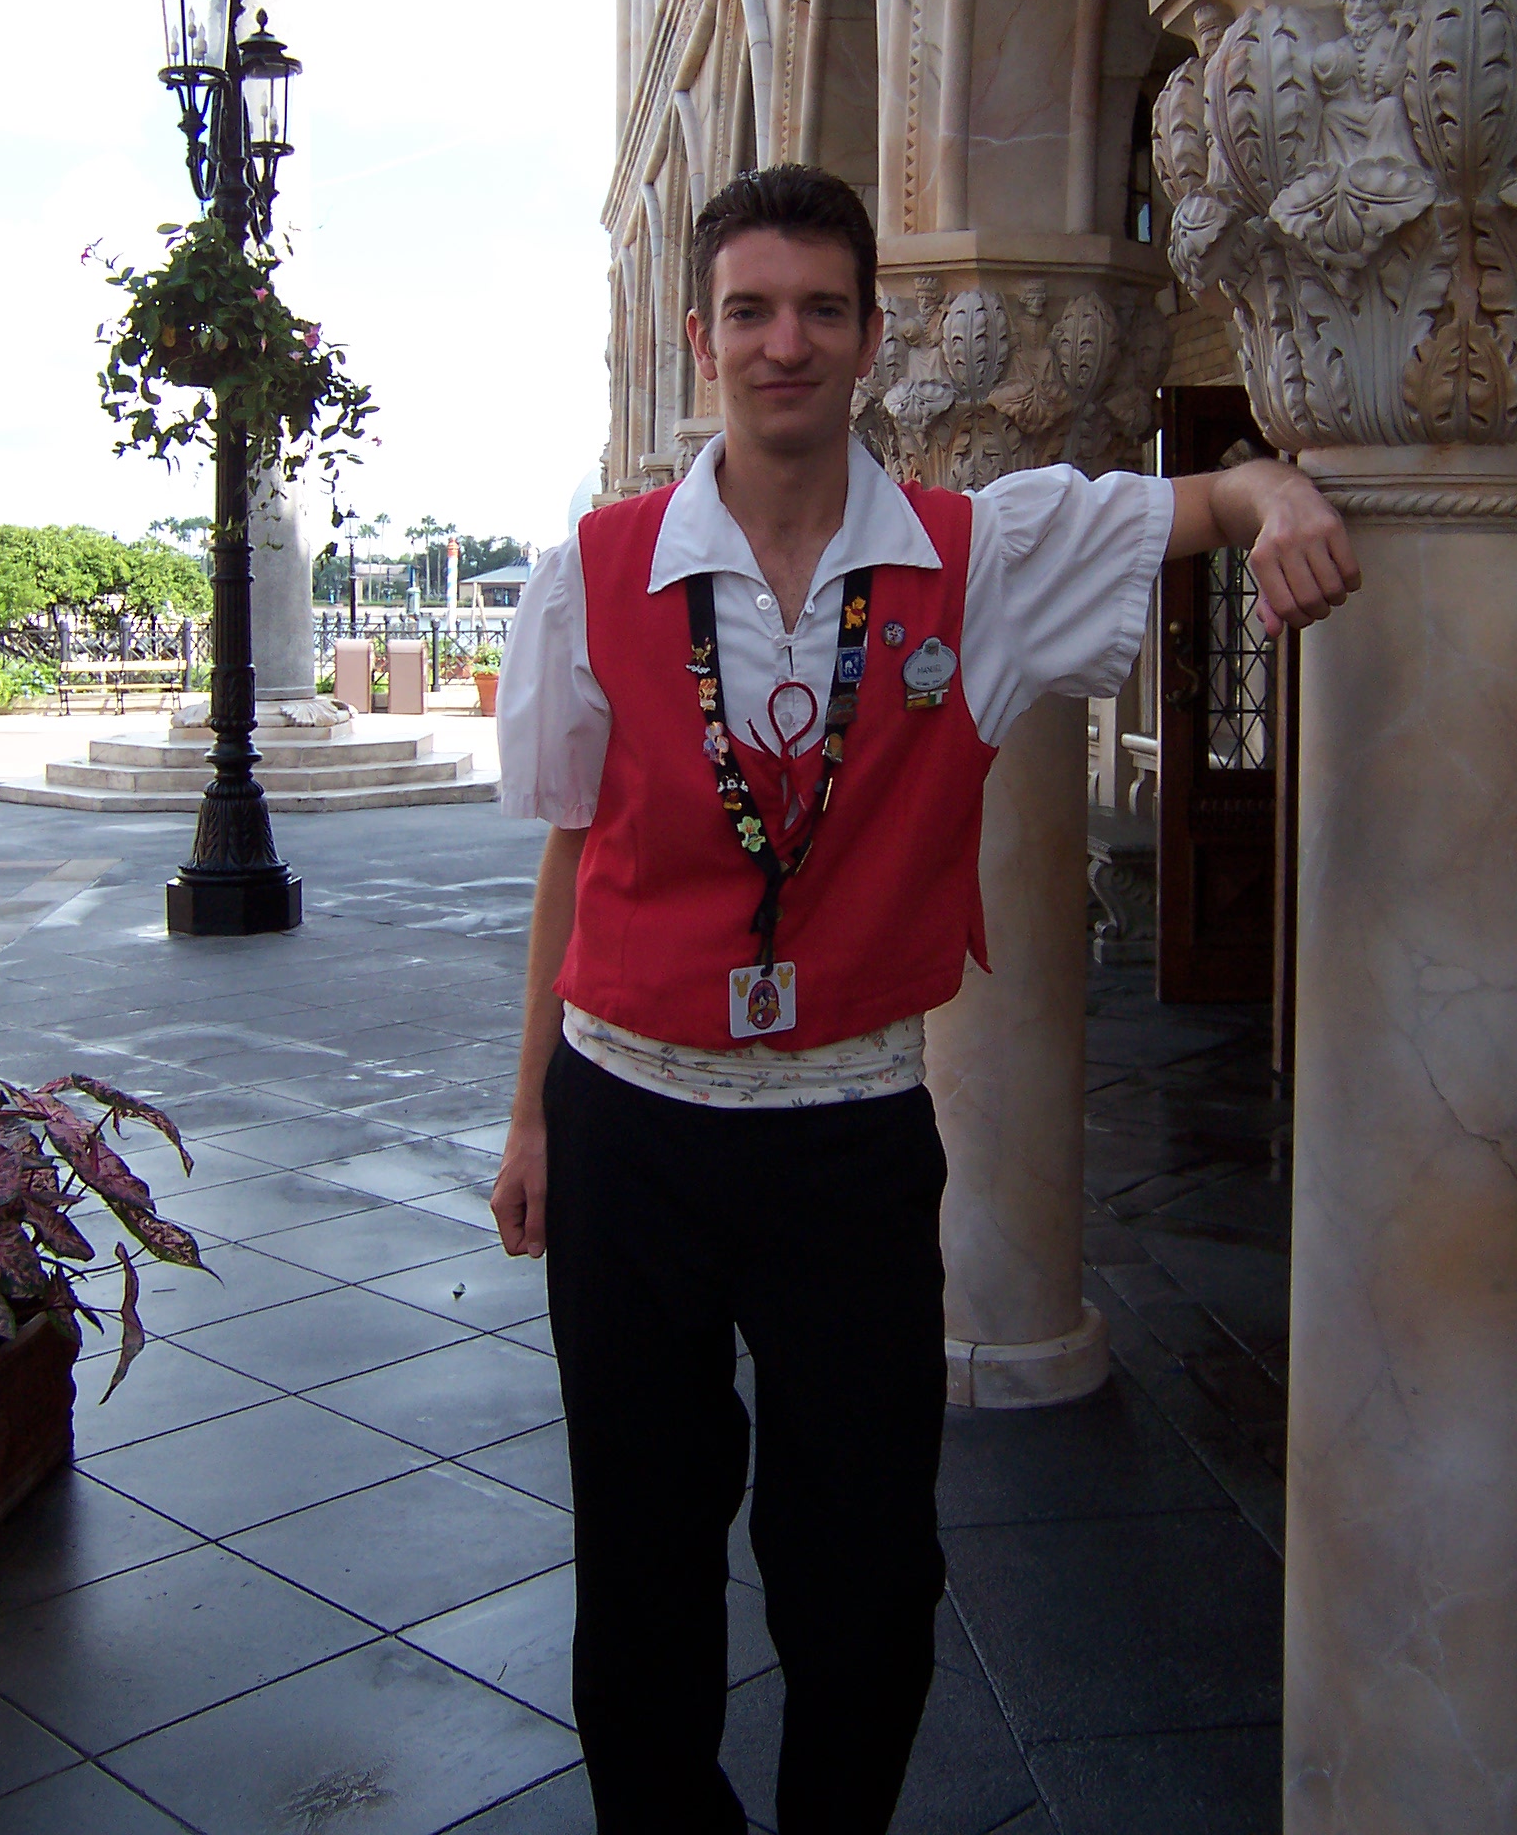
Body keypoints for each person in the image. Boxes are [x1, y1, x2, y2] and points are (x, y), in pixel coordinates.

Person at [492, 164, 1359, 1833]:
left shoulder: (984, 553)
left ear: (874, 338)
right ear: (701, 339)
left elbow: (1188, 507)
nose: (785, 342)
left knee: (870, 1571)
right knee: (646, 1562)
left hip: (850, 1134)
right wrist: (529, 1112)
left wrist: (1273, 487)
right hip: (631, 1127)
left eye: (822, 309)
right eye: (751, 310)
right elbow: (570, 858)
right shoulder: (588, 574)